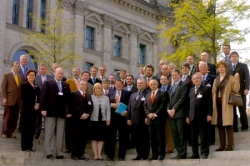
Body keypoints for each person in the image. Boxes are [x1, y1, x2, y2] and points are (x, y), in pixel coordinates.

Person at [40, 68, 71, 159]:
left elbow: (68, 100)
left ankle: (59, 152)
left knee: (60, 134)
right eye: (58, 73)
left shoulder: (66, 85)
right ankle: (49, 152)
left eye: (62, 73)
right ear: (54, 73)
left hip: (61, 113)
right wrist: (43, 109)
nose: (60, 75)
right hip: (50, 112)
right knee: (49, 132)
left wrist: (68, 111)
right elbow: (43, 97)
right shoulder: (48, 83)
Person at [211, 61, 240, 151]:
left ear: (225, 68)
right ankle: (222, 145)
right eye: (219, 67)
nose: (221, 68)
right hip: (218, 104)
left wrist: (237, 79)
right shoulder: (216, 79)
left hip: (226, 104)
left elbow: (235, 89)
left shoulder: (230, 78)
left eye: (222, 66)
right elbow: (213, 92)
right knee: (220, 125)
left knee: (228, 124)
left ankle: (230, 145)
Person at [186, 72, 212, 159]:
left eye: (197, 78)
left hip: (203, 116)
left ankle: (204, 152)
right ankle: (195, 153)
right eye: (194, 79)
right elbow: (187, 104)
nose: (196, 80)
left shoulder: (206, 89)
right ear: (192, 81)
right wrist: (187, 116)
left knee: (203, 135)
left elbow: (209, 103)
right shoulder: (190, 90)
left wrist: (209, 114)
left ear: (201, 79)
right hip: (192, 117)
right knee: (193, 137)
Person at [106, 80, 130, 161]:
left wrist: (126, 112)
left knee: (123, 137)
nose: (118, 85)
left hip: (123, 118)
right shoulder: (110, 93)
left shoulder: (127, 93)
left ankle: (121, 155)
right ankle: (111, 155)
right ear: (114, 85)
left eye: (120, 84)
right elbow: (106, 104)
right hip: (112, 118)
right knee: (111, 137)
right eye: (117, 84)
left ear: (123, 85)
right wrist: (111, 105)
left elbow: (130, 105)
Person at [127, 78, 150, 160]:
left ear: (145, 84)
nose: (139, 84)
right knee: (137, 139)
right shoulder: (133, 94)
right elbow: (129, 107)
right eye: (138, 83)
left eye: (141, 83)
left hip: (143, 120)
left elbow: (148, 107)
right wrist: (128, 118)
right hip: (134, 120)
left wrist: (147, 117)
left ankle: (145, 155)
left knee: (144, 138)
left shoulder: (148, 93)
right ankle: (139, 154)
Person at [70, 80, 93, 160]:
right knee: (76, 137)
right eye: (82, 84)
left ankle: (81, 153)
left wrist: (87, 114)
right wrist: (82, 114)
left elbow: (91, 107)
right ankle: (74, 154)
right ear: (78, 85)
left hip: (86, 120)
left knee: (83, 137)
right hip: (77, 119)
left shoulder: (89, 96)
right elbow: (74, 106)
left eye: (85, 85)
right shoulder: (74, 94)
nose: (83, 86)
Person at [226, 51, 249, 132]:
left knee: (242, 109)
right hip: (231, 91)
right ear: (230, 58)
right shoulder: (227, 67)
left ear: (238, 57)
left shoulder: (243, 66)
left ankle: (245, 126)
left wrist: (246, 88)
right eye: (232, 56)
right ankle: (234, 127)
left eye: (236, 56)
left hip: (241, 91)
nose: (234, 57)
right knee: (232, 110)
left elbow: (247, 77)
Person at [168, 69, 188, 159]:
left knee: (181, 134)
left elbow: (182, 98)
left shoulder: (184, 85)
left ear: (179, 75)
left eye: (176, 75)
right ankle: (179, 153)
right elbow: (169, 100)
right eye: (173, 75)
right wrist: (168, 110)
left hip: (179, 113)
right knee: (175, 134)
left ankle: (183, 154)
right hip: (171, 115)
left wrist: (174, 109)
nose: (174, 77)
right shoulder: (172, 87)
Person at [144, 79, 167, 160]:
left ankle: (162, 154)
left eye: (154, 84)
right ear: (149, 86)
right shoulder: (147, 95)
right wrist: (148, 114)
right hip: (150, 120)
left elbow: (163, 105)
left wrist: (155, 114)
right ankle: (154, 155)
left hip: (159, 119)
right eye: (151, 84)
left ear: (157, 85)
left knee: (160, 138)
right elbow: (145, 107)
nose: (152, 86)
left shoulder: (163, 93)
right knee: (152, 139)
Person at [1, 62, 23, 138]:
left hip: (17, 101)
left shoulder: (20, 78)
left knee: (15, 117)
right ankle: (4, 132)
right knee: (7, 117)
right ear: (12, 67)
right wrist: (4, 97)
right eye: (15, 66)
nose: (17, 68)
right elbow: (3, 88)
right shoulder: (7, 75)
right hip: (8, 100)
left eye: (18, 67)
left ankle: (10, 132)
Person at [20, 69, 40, 151]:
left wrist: (38, 104)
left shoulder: (37, 87)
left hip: (34, 111)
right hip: (26, 110)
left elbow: (39, 97)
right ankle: (24, 146)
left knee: (32, 129)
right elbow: (24, 98)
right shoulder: (24, 85)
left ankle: (30, 146)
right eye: (30, 75)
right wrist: (33, 105)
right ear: (27, 76)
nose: (32, 76)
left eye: (33, 75)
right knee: (25, 129)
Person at [90, 83, 111, 160]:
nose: (98, 90)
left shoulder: (106, 98)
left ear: (101, 89)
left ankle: (99, 155)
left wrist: (108, 119)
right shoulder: (91, 97)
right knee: (94, 138)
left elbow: (108, 110)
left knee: (101, 138)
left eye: (99, 88)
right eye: (96, 88)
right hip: (93, 120)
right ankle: (95, 155)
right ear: (94, 90)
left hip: (103, 121)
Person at [198, 61, 216, 145]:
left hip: (210, 101)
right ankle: (203, 141)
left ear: (207, 68)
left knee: (209, 122)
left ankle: (211, 140)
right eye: (201, 67)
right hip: (199, 103)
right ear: (198, 69)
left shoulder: (213, 77)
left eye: (204, 67)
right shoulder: (197, 78)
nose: (202, 68)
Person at [34, 64, 54, 139]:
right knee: (38, 120)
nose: (42, 70)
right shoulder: (36, 78)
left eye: (44, 69)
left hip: (48, 103)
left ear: (47, 70)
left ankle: (47, 135)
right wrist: (36, 102)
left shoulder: (51, 78)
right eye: (41, 69)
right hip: (38, 102)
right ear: (39, 70)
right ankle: (36, 135)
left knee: (48, 120)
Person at [65, 67, 81, 153]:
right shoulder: (68, 82)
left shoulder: (82, 82)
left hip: (80, 110)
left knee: (77, 131)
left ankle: (76, 148)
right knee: (69, 130)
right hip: (71, 109)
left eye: (77, 72)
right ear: (72, 72)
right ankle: (68, 147)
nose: (76, 73)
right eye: (74, 71)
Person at [159, 75, 174, 154]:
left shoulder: (171, 88)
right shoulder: (158, 89)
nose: (163, 80)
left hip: (168, 112)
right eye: (162, 79)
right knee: (160, 132)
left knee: (169, 131)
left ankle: (170, 147)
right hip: (159, 114)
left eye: (165, 79)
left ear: (168, 80)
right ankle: (161, 147)